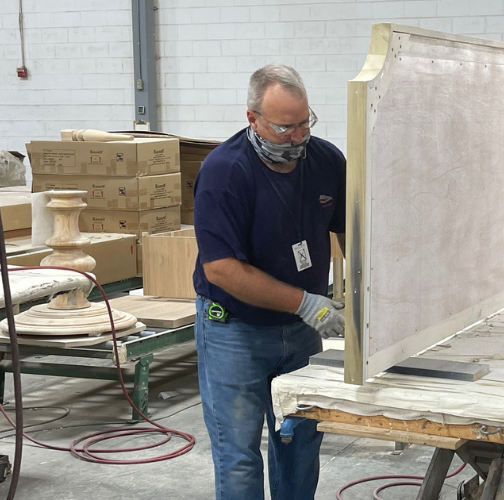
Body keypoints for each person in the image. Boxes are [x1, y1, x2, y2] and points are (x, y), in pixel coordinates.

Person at [192, 64, 346, 500]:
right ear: (253, 118)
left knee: (298, 442)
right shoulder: (225, 173)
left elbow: (350, 228)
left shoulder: (326, 159)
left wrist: (361, 286)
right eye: (284, 128)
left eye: (304, 124)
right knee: (239, 453)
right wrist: (305, 303)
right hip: (235, 330)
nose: (298, 138)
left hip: (300, 330)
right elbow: (220, 268)